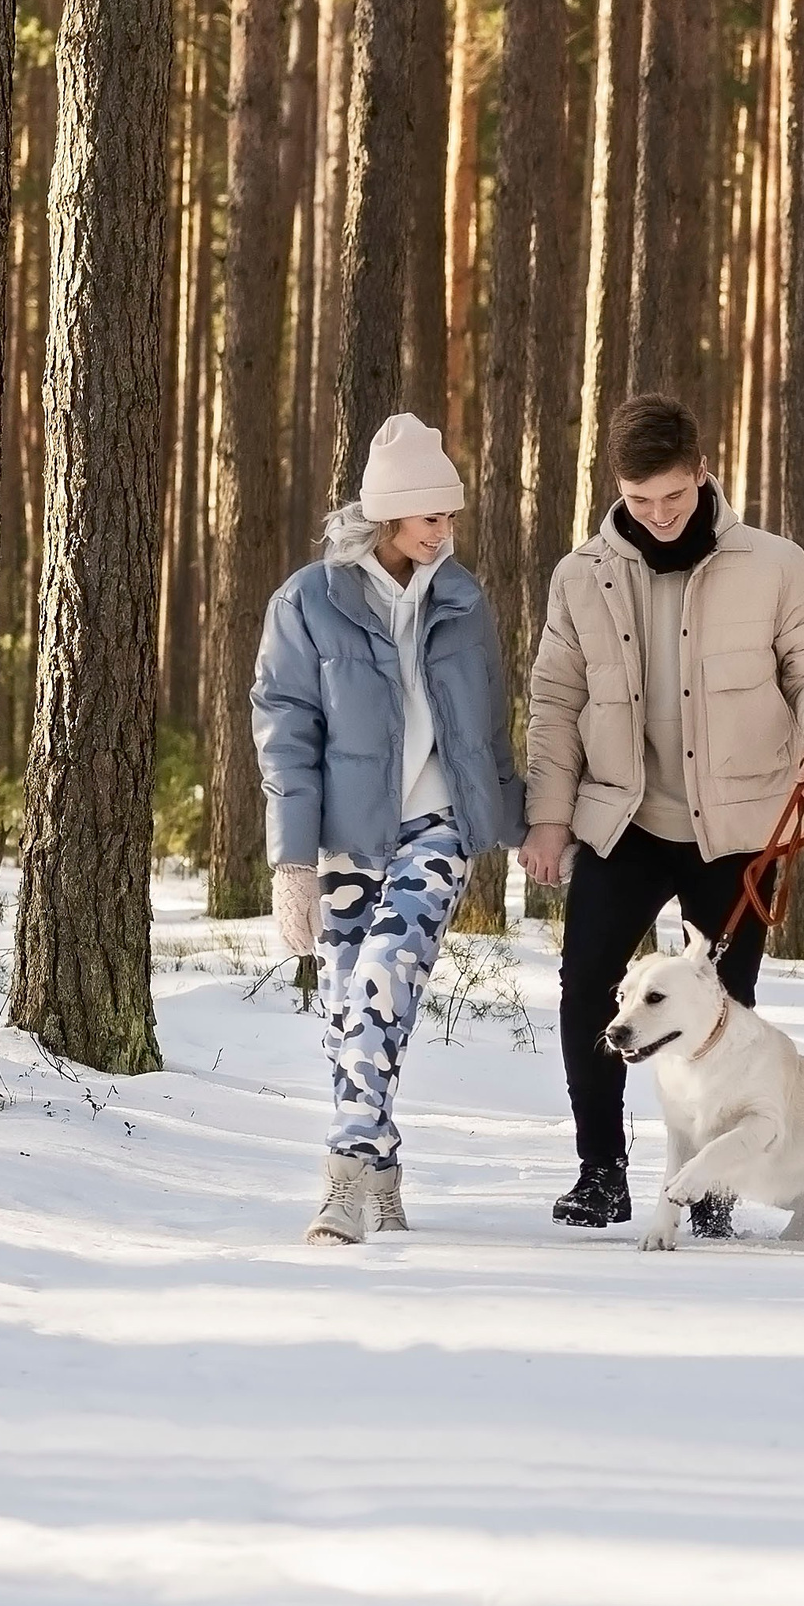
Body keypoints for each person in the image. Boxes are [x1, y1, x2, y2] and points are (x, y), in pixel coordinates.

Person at [521, 393, 804, 1230]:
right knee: (588, 995)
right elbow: (555, 702)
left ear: (702, 474)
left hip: (737, 829)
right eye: (641, 501)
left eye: (674, 495)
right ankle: (601, 1169)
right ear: (617, 489)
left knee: (724, 1006)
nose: (660, 515)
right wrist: (550, 817)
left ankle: (712, 1185)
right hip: (623, 821)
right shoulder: (581, 576)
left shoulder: (775, 566)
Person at [253, 412, 527, 1245]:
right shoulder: (309, 600)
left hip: (436, 830)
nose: (447, 530)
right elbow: (285, 727)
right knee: (350, 1009)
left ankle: (342, 1178)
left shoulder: (463, 597)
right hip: (346, 833)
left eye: (450, 515)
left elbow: (487, 725)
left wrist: (523, 823)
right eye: (431, 516)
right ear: (387, 515)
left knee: (380, 980)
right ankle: (384, 1164)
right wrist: (292, 860)